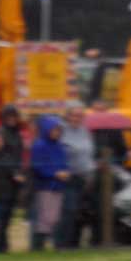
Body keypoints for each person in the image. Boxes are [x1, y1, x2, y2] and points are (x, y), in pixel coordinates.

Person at [56, 105, 96, 248]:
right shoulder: (62, 132)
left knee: (82, 212)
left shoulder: (85, 131)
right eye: (73, 115)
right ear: (67, 116)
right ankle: (62, 244)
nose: (76, 118)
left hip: (86, 177)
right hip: (68, 177)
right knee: (68, 211)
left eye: (80, 116)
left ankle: (75, 243)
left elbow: (89, 154)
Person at [28, 114, 69, 251]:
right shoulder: (39, 145)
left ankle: (52, 245)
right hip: (45, 186)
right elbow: (38, 166)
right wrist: (55, 173)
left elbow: (64, 163)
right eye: (54, 130)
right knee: (44, 218)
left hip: (58, 186)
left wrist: (66, 171)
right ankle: (38, 246)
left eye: (59, 130)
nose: (57, 133)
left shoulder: (59, 146)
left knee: (54, 217)